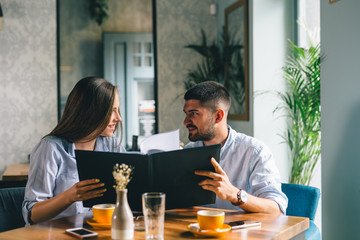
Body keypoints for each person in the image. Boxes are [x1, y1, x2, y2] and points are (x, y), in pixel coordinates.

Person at [22, 77, 126, 225]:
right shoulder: (50, 148)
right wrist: (70, 196)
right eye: (112, 111)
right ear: (91, 112)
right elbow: (33, 214)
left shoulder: (112, 144)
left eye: (118, 110)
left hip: (97, 232)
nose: (119, 118)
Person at [183, 81, 288, 214]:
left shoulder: (255, 152)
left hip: (242, 233)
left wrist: (234, 194)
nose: (186, 121)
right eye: (186, 113)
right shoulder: (188, 152)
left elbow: (277, 209)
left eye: (194, 113)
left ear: (218, 116)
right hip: (196, 231)